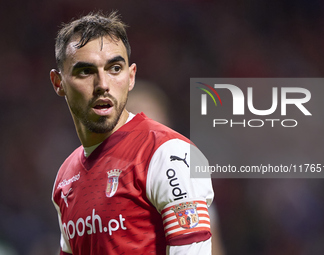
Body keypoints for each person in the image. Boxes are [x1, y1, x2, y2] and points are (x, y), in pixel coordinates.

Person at [50, 11, 214, 255]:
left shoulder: (169, 153)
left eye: (115, 68)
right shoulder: (65, 178)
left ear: (131, 76)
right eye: (85, 71)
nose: (103, 84)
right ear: (58, 82)